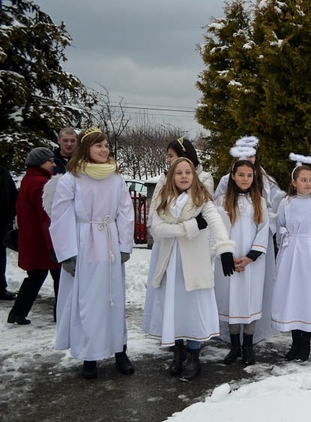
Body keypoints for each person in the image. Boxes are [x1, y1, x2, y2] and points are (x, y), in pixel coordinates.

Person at [49, 127, 135, 379]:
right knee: (88, 303)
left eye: (106, 145)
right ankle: (90, 356)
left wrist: (124, 246)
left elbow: (125, 212)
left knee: (114, 300)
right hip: (84, 244)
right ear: (86, 149)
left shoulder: (116, 178)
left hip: (109, 244)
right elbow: (61, 216)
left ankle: (120, 350)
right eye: (99, 145)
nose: (104, 149)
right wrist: (66, 253)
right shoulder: (71, 178)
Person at [143, 157, 236, 381]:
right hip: (169, 264)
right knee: (173, 308)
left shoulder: (201, 199)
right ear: (171, 176)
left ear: (194, 176)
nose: (184, 176)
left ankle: (193, 356)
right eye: (179, 173)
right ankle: (178, 352)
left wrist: (224, 250)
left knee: (192, 310)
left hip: (193, 264)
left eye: (188, 172)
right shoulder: (163, 199)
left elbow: (215, 222)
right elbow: (158, 229)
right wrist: (192, 226)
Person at [271, 161, 311, 362]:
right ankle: (295, 341)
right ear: (294, 182)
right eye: (303, 180)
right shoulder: (286, 203)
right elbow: (280, 226)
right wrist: (285, 245)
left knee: (308, 295)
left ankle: (305, 343)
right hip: (291, 252)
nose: (308, 184)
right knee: (292, 294)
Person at [214, 149, 269, 365]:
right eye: (241, 175)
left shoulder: (260, 201)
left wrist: (250, 257)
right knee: (232, 301)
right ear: (233, 176)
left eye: (249, 175)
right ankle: (234, 345)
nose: (245, 179)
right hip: (228, 261)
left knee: (249, 300)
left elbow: (263, 229)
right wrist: (226, 253)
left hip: (251, 263)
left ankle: (248, 346)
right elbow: (216, 229)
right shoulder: (221, 201)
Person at [7, 148, 61, 324]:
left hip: (31, 240)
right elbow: (47, 217)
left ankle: (17, 313)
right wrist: (53, 245)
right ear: (40, 163)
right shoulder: (43, 184)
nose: (53, 164)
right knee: (61, 278)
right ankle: (61, 316)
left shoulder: (28, 180)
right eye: (50, 160)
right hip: (44, 243)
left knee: (35, 277)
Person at [152, 137, 214, 201]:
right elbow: (155, 204)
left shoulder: (204, 178)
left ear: (182, 156)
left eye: (171, 156)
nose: (168, 160)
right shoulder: (165, 177)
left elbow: (206, 202)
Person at [0, 165, 17, 300]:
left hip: (2, 222)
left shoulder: (3, 172)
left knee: (0, 256)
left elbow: (12, 195)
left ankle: (0, 288)